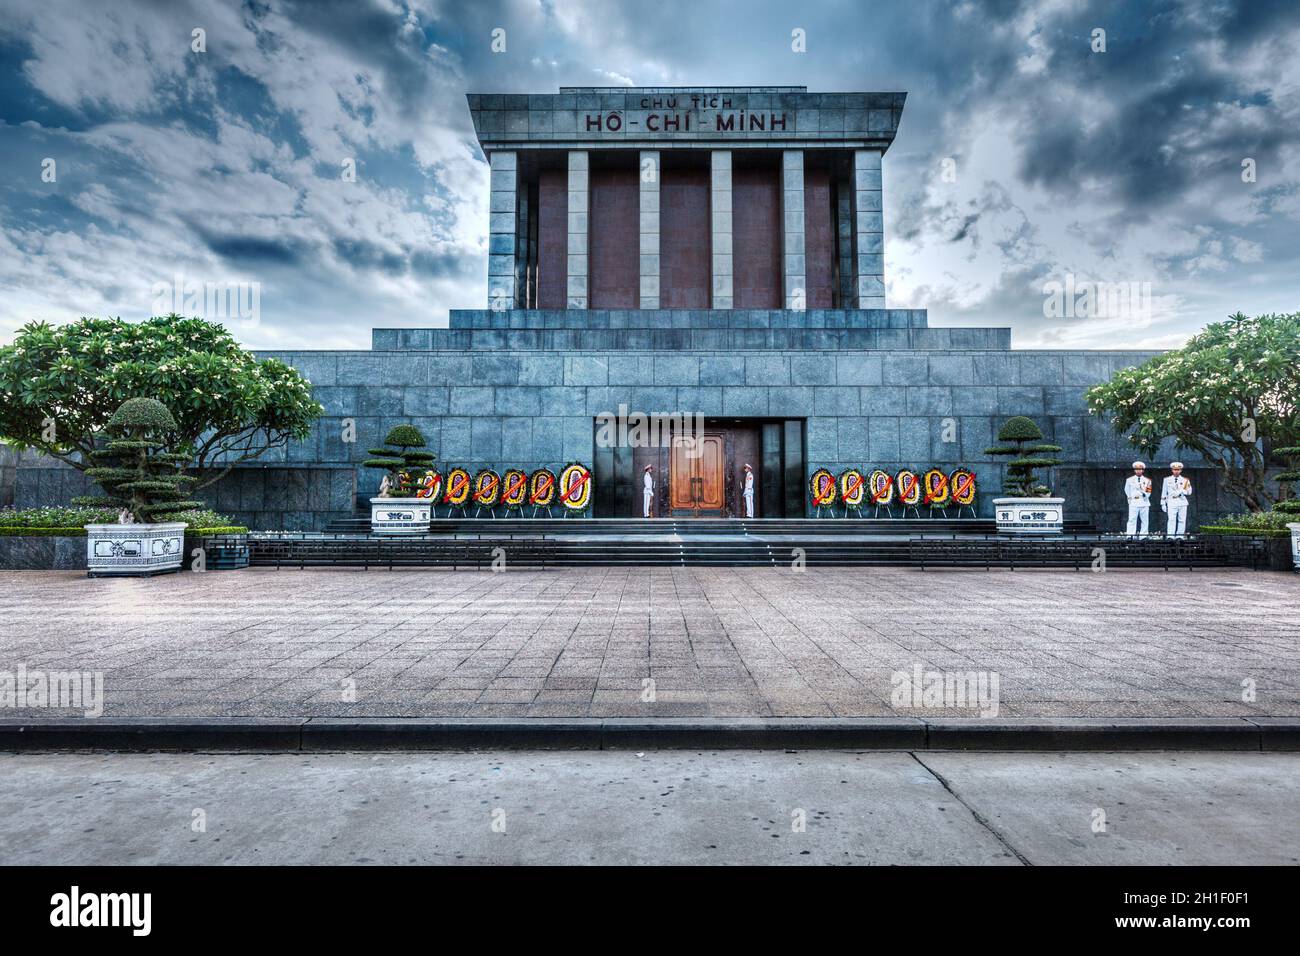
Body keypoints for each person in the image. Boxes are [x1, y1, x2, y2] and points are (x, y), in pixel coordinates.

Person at [1161, 461, 1192, 536]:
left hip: (1182, 501)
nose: (1176, 471)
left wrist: (1182, 491)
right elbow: (1164, 492)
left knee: (1182, 520)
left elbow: (1189, 492)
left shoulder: (1185, 480)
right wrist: (1163, 503)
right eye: (1175, 469)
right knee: (1171, 519)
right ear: (1172, 470)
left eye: (1178, 470)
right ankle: (1170, 536)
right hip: (1171, 501)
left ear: (1181, 470)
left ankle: (1180, 536)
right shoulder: (1167, 480)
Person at [1124, 461, 1151, 536]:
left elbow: (1148, 493)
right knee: (1132, 520)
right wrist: (1129, 498)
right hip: (1134, 502)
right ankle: (1130, 535)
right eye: (1136, 469)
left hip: (1144, 501)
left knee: (1145, 520)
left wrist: (1142, 490)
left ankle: (1144, 535)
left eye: (1140, 469)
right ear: (1134, 470)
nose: (1138, 471)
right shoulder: (1129, 480)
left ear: (1143, 470)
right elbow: (1126, 490)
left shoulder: (1148, 481)